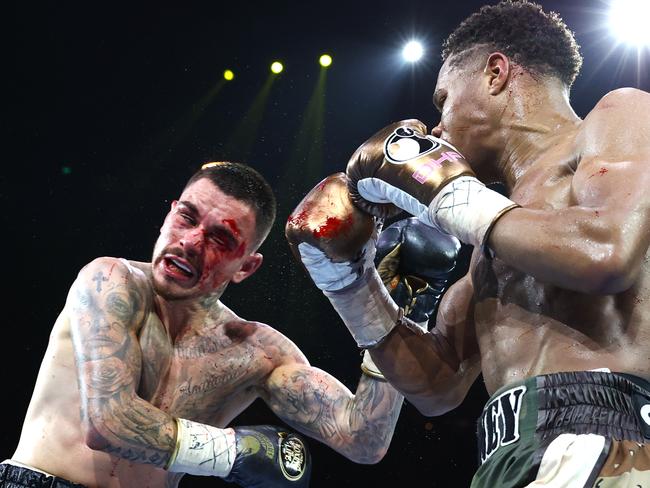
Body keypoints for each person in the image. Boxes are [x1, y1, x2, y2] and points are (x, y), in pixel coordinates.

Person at [292, 1, 650, 487]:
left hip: (607, 437)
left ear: (496, 73)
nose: (437, 129)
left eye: (443, 100)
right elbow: (438, 386)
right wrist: (350, 282)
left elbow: (606, 251)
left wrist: (447, 192)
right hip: (504, 458)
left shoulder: (618, 114)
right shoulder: (490, 244)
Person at [4, 161, 408, 488]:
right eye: (187, 218)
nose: (191, 242)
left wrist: (388, 313)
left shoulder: (255, 351)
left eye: (220, 238)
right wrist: (233, 453)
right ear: (168, 215)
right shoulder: (111, 281)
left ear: (245, 267)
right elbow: (108, 424)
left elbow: (363, 439)